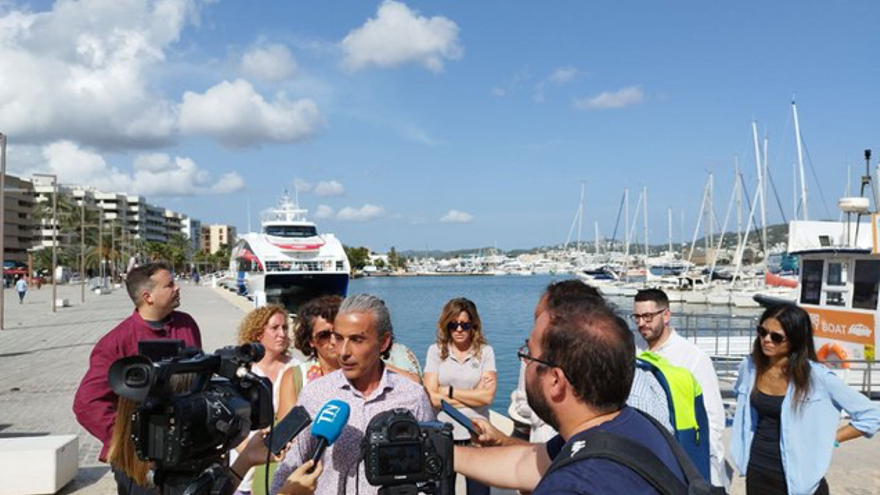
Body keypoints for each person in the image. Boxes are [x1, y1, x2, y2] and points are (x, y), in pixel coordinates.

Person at [455, 293, 685, 494]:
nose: (524, 362)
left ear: (555, 380)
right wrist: (447, 453)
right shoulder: (631, 425)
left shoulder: (571, 485)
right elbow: (524, 464)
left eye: (529, 354)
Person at [270, 294, 434, 495]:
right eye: (338, 338)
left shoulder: (412, 396)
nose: (343, 352)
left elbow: (431, 473)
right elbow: (289, 467)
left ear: (383, 343)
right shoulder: (315, 394)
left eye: (357, 340)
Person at [73, 262, 201, 493]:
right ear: (147, 296)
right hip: (140, 466)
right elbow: (86, 403)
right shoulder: (116, 342)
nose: (177, 288)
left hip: (186, 452)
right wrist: (127, 442)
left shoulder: (187, 325)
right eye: (169, 284)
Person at [729, 303, 880, 495]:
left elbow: (872, 415)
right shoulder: (749, 367)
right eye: (762, 331)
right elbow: (742, 401)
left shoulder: (817, 377)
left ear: (795, 339)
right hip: (757, 471)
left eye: (776, 337)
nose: (766, 340)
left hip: (801, 479)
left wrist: (831, 439)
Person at [510, 281, 672, 443]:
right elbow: (544, 455)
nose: (524, 360)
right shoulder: (585, 424)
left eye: (530, 353)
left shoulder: (636, 406)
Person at [632, 288, 726, 486]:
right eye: (637, 317)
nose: (641, 323)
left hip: (683, 453)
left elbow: (713, 419)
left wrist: (711, 473)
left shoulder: (693, 357)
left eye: (648, 317)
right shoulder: (633, 350)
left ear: (666, 315)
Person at [424, 297, 496, 495]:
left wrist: (447, 391)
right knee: (443, 492)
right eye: (453, 324)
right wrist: (474, 394)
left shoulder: (485, 353)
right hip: (444, 434)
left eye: (464, 325)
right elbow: (431, 397)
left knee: (479, 492)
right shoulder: (435, 352)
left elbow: (487, 397)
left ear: (474, 325)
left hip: (476, 433)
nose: (459, 330)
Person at [233, 304, 300, 495]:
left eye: (285, 328)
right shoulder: (243, 370)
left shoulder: (296, 369)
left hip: (281, 471)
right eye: (274, 328)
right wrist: (251, 455)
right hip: (242, 472)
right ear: (257, 333)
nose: (282, 334)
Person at [278, 295, 343, 421]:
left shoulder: (368, 373)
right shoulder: (295, 377)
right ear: (310, 340)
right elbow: (285, 433)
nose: (333, 341)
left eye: (338, 333)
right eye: (324, 335)